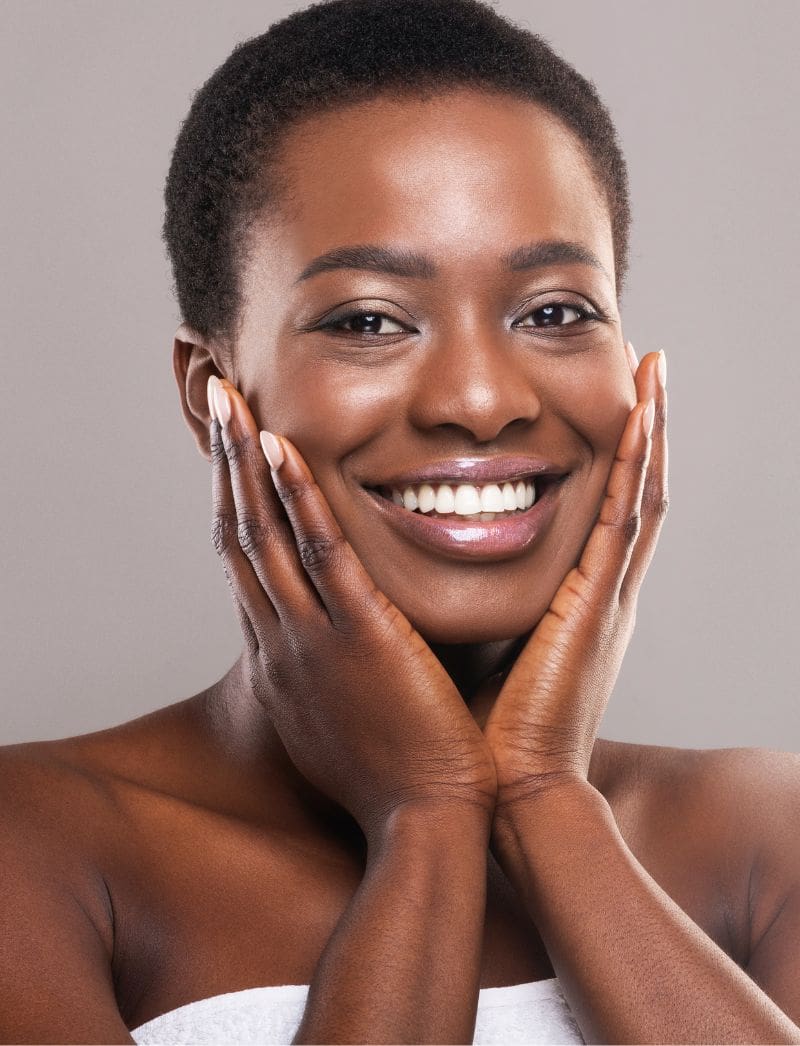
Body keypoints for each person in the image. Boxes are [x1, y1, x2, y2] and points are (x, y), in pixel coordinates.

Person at [2, 0, 799, 1042]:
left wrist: (545, 800)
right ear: (212, 392)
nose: (477, 397)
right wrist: (424, 814)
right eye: (368, 319)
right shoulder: (42, 844)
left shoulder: (760, 833)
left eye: (554, 311)